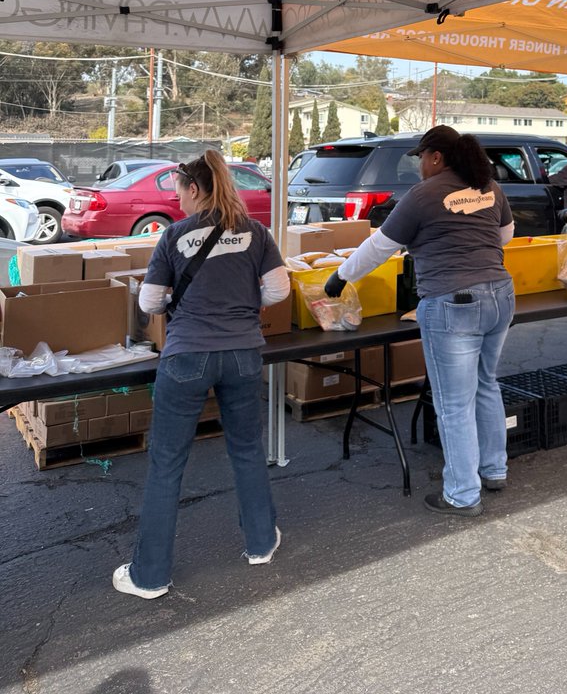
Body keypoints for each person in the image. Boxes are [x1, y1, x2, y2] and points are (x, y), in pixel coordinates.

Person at [113, 150, 290, 599]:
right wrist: (242, 302)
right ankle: (261, 543)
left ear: (194, 188)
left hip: (187, 357)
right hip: (243, 354)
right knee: (247, 449)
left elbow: (150, 302)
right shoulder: (256, 232)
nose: (178, 201)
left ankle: (150, 576)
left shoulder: (174, 235)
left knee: (167, 463)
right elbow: (279, 290)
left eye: (179, 192)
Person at [324, 125, 515, 517]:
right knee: (486, 384)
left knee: (454, 404)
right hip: (500, 294)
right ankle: (494, 469)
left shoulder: (424, 194)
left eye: (421, 158)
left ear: (437, 157)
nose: (420, 166)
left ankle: (462, 494)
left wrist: (340, 276)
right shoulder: (489, 187)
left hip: (453, 303)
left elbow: (380, 247)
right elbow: (506, 235)